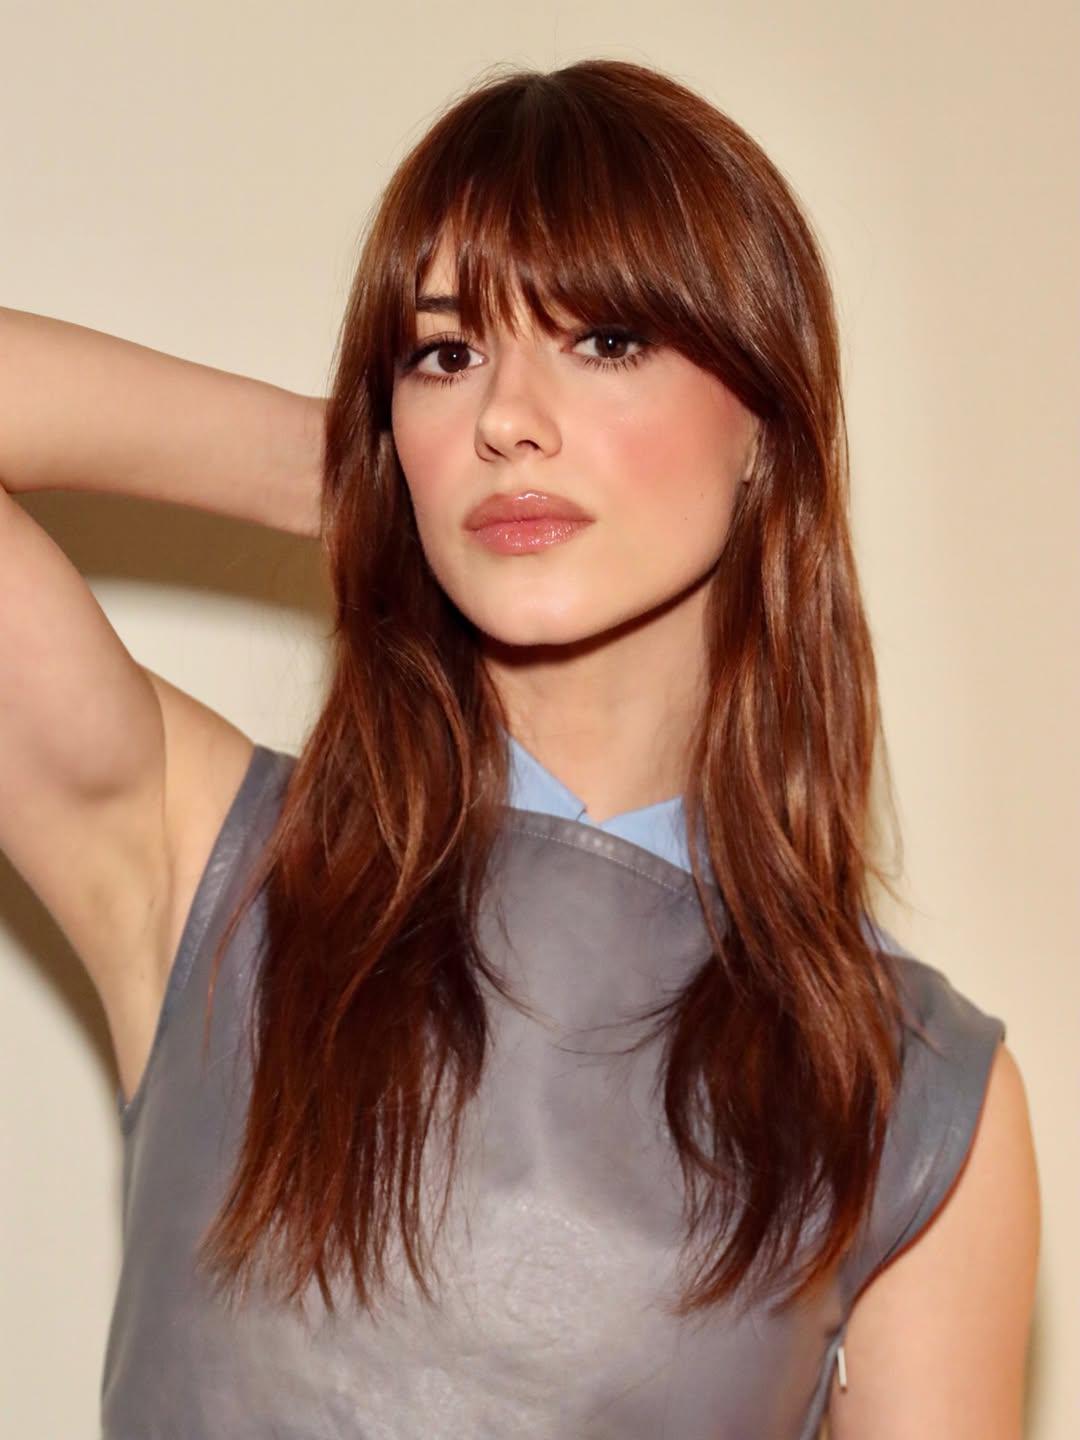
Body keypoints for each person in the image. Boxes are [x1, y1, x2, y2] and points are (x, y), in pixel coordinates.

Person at [0, 57, 1039, 1440]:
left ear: (763, 427)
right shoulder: (214, 871)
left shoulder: (906, 1095)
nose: (505, 417)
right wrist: (364, 476)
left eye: (605, 339)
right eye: (445, 354)